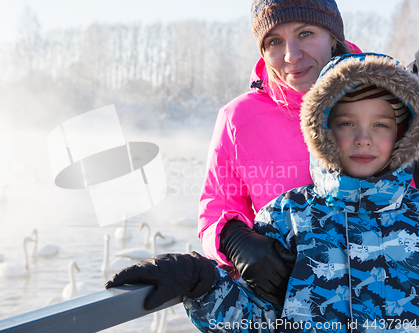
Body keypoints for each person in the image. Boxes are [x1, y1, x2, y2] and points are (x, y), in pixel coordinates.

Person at [108, 52, 419, 331]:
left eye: (380, 125)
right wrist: (202, 283)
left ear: (402, 133)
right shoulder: (289, 217)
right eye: (347, 123)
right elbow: (260, 322)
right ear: (322, 129)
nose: (363, 138)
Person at [198, 0, 361, 306]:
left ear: (333, 36)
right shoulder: (239, 119)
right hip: (294, 306)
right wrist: (235, 240)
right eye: (275, 41)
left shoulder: (387, 100)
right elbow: (214, 213)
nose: (291, 56)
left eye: (306, 33)